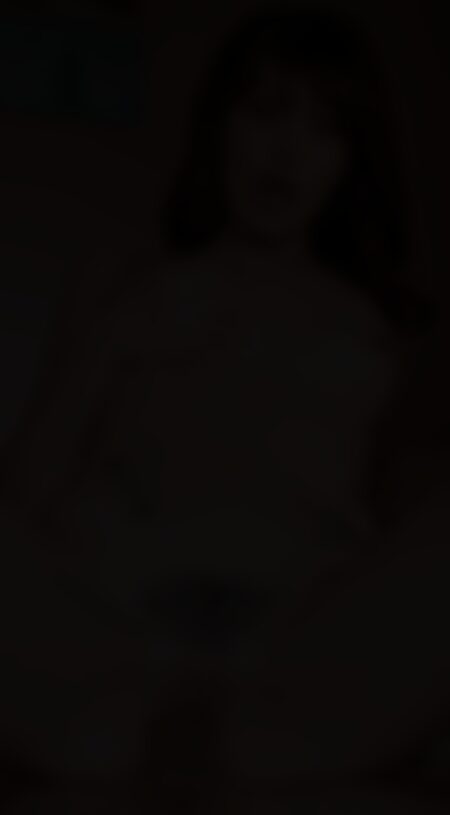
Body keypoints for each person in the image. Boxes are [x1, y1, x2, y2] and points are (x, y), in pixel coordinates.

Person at [0, 4, 442, 811]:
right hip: (107, 651)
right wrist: (120, 334)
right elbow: (22, 498)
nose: (286, 151)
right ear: (220, 125)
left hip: (291, 668)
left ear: (351, 161)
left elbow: (407, 545)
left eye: (325, 129)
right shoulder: (121, 288)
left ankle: (240, 735)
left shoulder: (390, 332)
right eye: (266, 110)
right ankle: (134, 730)